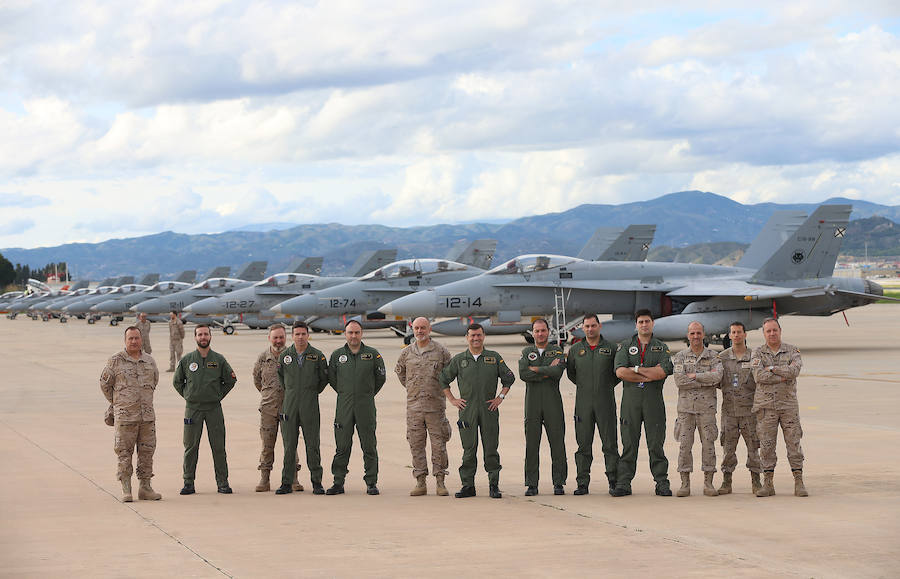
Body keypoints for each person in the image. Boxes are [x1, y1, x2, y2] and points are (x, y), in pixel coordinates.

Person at [440, 323, 515, 499]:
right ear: (467, 337)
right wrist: (452, 399)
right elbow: (443, 380)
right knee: (469, 449)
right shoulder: (459, 360)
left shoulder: (493, 357)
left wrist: (500, 398)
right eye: (472, 335)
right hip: (467, 411)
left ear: (483, 336)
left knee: (491, 449)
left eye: (479, 335)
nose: (476, 338)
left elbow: (509, 378)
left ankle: (493, 485)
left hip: (489, 409)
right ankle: (468, 485)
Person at [612, 309, 674, 497]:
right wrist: (649, 373)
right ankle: (623, 483)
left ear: (652, 324)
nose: (644, 324)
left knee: (656, 444)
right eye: (641, 322)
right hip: (631, 402)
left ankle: (661, 482)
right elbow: (621, 372)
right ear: (636, 325)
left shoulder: (661, 347)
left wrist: (637, 370)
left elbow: (662, 372)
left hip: (653, 402)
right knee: (629, 443)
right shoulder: (625, 346)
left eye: (647, 321)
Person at [99, 326, 162, 502]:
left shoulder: (149, 361)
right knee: (124, 453)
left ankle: (145, 487)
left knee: (147, 452)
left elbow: (154, 381)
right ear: (125, 341)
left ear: (141, 340)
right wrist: (117, 403)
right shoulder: (115, 361)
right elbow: (105, 385)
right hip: (125, 416)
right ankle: (126, 488)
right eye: (130, 339)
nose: (134, 341)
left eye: (136, 338)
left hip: (147, 417)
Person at [173, 324, 237, 495]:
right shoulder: (187, 360)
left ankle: (223, 483)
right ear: (195, 337)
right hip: (193, 409)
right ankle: (188, 483)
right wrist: (189, 396)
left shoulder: (219, 359)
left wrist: (217, 395)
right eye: (200, 334)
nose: (203, 337)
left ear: (210, 336)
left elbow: (230, 381)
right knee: (191, 447)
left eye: (206, 334)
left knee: (218, 447)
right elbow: (177, 382)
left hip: (214, 409)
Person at [325, 320, 386, 495]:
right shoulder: (337, 356)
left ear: (361, 334)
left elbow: (380, 378)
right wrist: (346, 393)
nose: (353, 336)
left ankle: (371, 482)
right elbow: (332, 379)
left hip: (365, 406)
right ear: (345, 334)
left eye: (357, 332)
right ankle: (338, 482)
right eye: (350, 332)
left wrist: (366, 394)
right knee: (342, 446)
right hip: (344, 406)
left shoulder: (372, 354)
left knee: (369, 445)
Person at [394, 317, 453, 497]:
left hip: (435, 407)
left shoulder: (441, 352)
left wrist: (433, 390)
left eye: (423, 328)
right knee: (416, 444)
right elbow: (401, 373)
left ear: (430, 329)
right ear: (413, 329)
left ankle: (440, 480)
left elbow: (449, 374)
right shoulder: (406, 353)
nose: (420, 331)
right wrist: (414, 389)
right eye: (417, 328)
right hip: (414, 408)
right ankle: (420, 481)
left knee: (439, 445)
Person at [751, 318, 808, 497]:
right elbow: (759, 376)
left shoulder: (792, 350)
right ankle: (768, 483)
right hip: (766, 407)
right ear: (764, 334)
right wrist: (782, 374)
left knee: (793, 443)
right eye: (768, 331)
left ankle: (798, 481)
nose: (772, 333)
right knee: (767, 445)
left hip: (788, 406)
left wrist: (772, 368)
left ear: (780, 331)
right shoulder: (757, 352)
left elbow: (795, 371)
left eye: (775, 330)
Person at [566, 313, 621, 496]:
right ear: (583, 328)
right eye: (587, 326)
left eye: (593, 326)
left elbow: (617, 374)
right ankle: (582, 483)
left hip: (605, 402)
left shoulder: (612, 348)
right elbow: (572, 374)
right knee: (583, 445)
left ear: (600, 326)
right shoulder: (575, 350)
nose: (590, 329)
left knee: (610, 444)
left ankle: (613, 480)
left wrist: (603, 387)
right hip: (583, 403)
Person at [276, 321, 329, 495]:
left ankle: (317, 482)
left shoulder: (317, 356)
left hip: (310, 405)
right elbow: (282, 379)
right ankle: (286, 482)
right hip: (289, 405)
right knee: (289, 445)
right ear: (292, 336)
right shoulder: (285, 356)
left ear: (308, 335)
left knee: (312, 445)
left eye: (303, 334)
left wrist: (311, 392)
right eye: (297, 334)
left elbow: (323, 379)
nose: (300, 337)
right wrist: (292, 393)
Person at [671, 321, 723, 497]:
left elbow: (717, 377)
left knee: (709, 446)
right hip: (685, 411)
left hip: (706, 410)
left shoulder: (714, 356)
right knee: (685, 447)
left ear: (704, 334)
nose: (695, 336)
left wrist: (694, 376)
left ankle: (708, 482)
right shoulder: (680, 357)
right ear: (688, 335)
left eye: (698, 333)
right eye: (692, 333)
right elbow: (679, 381)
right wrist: (704, 380)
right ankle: (685, 483)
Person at [519, 318, 567, 496]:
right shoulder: (527, 351)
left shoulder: (557, 351)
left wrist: (537, 369)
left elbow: (558, 372)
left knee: (557, 443)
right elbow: (524, 374)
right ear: (532, 333)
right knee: (532, 444)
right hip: (532, 403)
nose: (540, 334)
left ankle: (559, 482)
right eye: (537, 331)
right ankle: (532, 484)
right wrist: (547, 369)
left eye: (543, 330)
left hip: (552, 402)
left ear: (548, 332)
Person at [252, 324, 302, 492]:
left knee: (291, 444)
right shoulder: (262, 358)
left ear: (285, 338)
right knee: (267, 444)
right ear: (269, 338)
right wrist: (269, 395)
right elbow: (257, 381)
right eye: (275, 337)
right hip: (268, 408)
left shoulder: (292, 356)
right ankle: (264, 479)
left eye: (281, 337)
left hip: (289, 407)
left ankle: (294, 478)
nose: (278, 341)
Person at [717, 321, 762, 495]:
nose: (736, 335)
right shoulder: (722, 357)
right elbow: (717, 381)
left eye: (739, 332)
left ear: (745, 335)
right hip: (729, 411)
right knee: (728, 448)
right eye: (733, 332)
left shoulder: (754, 356)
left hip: (749, 412)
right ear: (729, 335)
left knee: (753, 447)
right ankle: (727, 481)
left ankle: (756, 480)